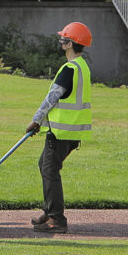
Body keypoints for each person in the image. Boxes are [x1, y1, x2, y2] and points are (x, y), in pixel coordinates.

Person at [26, 21, 94, 234]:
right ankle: (49, 211)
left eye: (63, 38)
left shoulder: (69, 69)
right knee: (45, 166)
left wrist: (36, 120)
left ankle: (56, 218)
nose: (60, 41)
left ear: (70, 43)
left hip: (62, 132)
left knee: (49, 170)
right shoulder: (82, 66)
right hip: (72, 131)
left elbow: (52, 98)